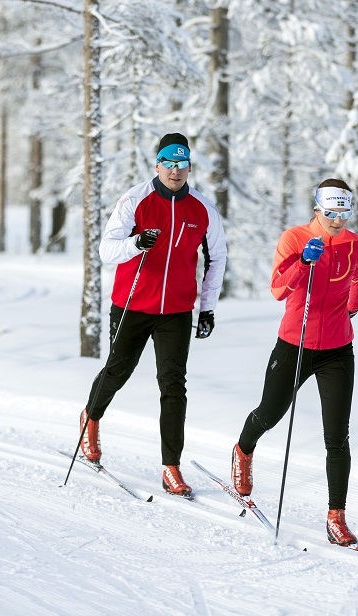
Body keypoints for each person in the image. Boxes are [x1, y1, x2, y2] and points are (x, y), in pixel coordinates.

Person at [77, 133, 228, 498]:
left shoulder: (203, 209)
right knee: (119, 369)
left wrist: (206, 307)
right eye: (169, 164)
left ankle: (170, 466)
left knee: (173, 385)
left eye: (182, 164)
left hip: (176, 310)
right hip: (132, 304)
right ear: (157, 164)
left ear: (190, 167)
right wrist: (135, 243)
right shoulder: (134, 200)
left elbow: (217, 258)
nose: (176, 171)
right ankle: (90, 419)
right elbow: (106, 250)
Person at [230, 179, 358, 548]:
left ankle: (336, 516)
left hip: (338, 349)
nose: (337, 220)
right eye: (330, 213)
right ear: (317, 209)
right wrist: (303, 263)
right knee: (270, 413)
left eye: (344, 213)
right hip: (295, 342)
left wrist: (346, 313)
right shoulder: (293, 239)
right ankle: (243, 450)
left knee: (337, 436)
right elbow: (277, 289)